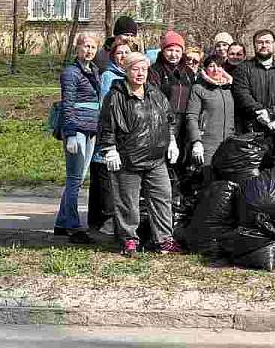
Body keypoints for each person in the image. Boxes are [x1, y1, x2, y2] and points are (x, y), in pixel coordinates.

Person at [99, 52, 182, 256]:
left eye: (144, 69)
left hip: (156, 159)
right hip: (128, 159)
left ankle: (164, 240)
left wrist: (171, 141)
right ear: (126, 71)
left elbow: (169, 119)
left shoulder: (155, 93)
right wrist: (110, 150)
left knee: (163, 198)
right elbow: (106, 126)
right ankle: (129, 240)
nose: (140, 74)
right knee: (128, 202)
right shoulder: (116, 96)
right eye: (135, 69)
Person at [53, 32, 101, 245]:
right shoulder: (71, 73)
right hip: (77, 129)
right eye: (86, 46)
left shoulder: (94, 70)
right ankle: (73, 226)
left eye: (92, 47)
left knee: (79, 178)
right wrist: (70, 134)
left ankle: (61, 223)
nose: (89, 51)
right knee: (74, 178)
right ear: (77, 48)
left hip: (91, 128)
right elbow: (68, 104)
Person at [92, 37, 133, 235]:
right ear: (113, 57)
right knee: (109, 176)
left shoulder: (132, 74)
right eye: (119, 53)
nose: (123, 56)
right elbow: (105, 106)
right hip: (115, 130)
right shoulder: (110, 75)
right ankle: (108, 219)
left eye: (126, 52)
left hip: (130, 132)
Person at [185, 55, 235, 185]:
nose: (216, 69)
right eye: (211, 66)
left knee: (226, 184)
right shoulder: (199, 88)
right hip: (208, 143)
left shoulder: (228, 88)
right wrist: (196, 141)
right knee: (209, 182)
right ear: (205, 69)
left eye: (219, 66)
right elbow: (192, 116)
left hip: (228, 142)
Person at [232, 29, 275, 133]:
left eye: (268, 42)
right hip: (251, 129)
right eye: (260, 42)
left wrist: (271, 114)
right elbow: (242, 95)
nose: (264, 45)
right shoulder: (243, 68)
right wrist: (262, 113)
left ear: (274, 45)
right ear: (254, 45)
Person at [147, 30, 193, 151]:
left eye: (177, 51)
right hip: (163, 122)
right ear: (162, 51)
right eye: (170, 50)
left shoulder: (188, 72)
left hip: (185, 122)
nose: (173, 54)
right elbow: (154, 97)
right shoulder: (155, 70)